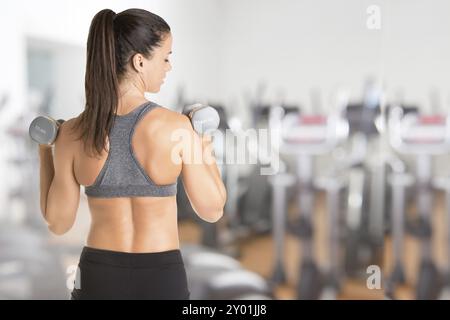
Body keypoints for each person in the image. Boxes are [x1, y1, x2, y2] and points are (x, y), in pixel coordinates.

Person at [37, 8, 226, 300]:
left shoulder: (71, 134)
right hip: (161, 276)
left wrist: (45, 148)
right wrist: (202, 140)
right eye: (165, 57)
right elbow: (212, 210)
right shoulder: (175, 127)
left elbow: (58, 224)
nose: (168, 67)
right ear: (139, 61)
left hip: (97, 275)